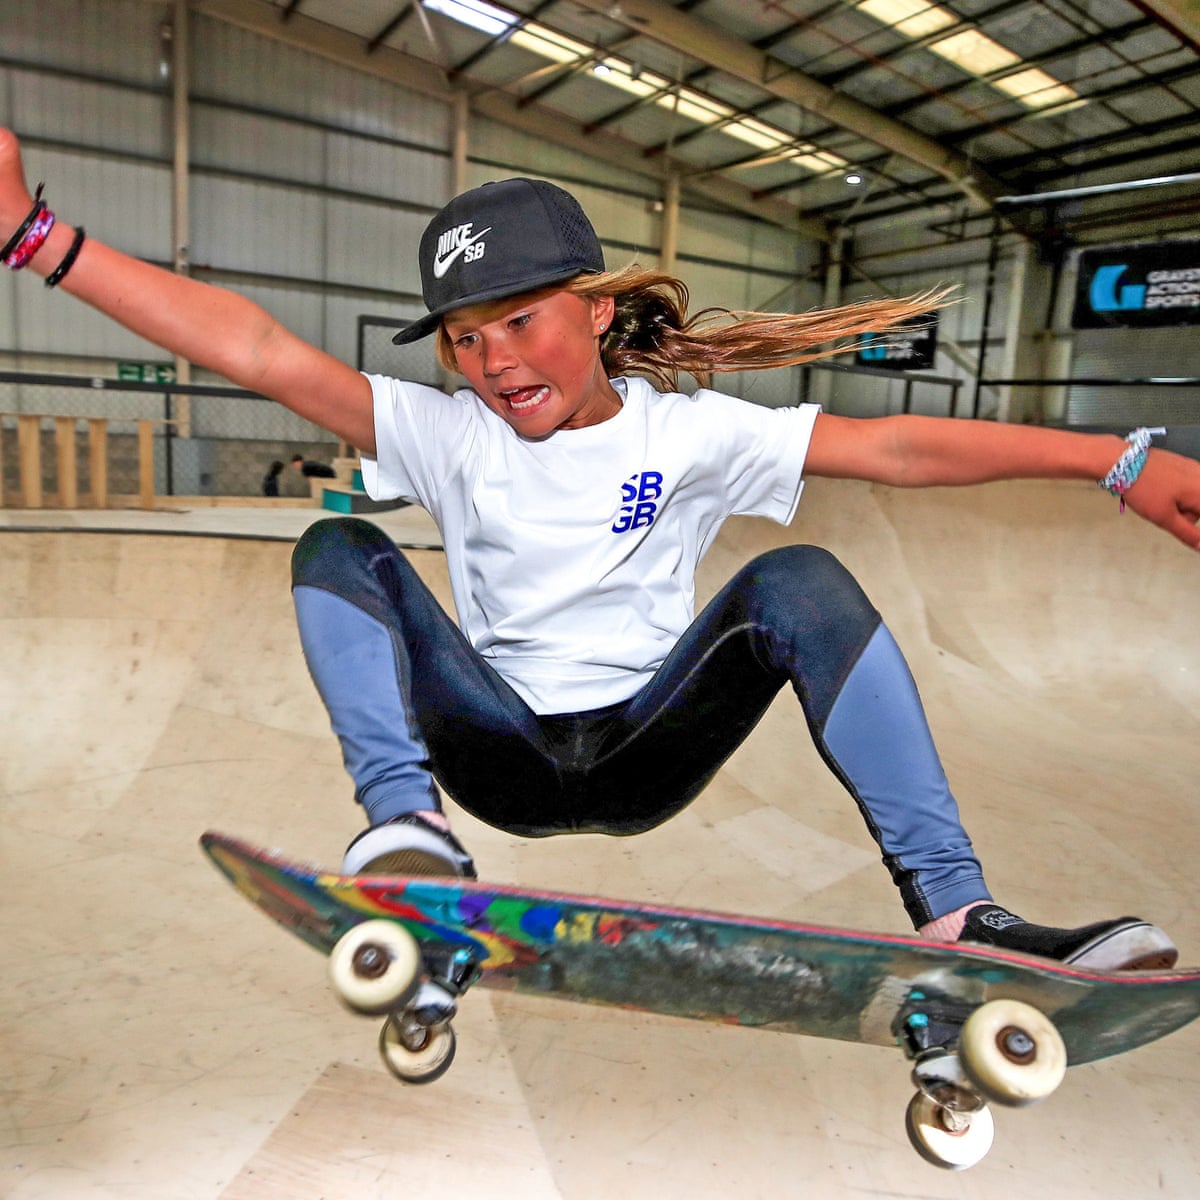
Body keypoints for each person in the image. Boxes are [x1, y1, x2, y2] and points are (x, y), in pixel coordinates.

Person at [3, 127, 1197, 978]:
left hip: (646, 742)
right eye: (466, 340)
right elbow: (257, 350)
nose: (495, 364)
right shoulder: (445, 430)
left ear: (594, 310)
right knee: (337, 543)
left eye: (520, 322)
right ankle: (407, 836)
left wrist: (1116, 460)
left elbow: (893, 450)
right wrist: (33, 235)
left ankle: (957, 915)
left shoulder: (693, 435)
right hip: (498, 750)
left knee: (803, 579)